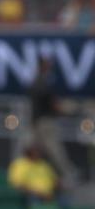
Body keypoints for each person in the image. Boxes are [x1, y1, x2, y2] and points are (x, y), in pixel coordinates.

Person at [28, 57, 78, 186]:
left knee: (34, 149)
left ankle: (56, 176)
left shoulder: (35, 81)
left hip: (37, 122)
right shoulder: (42, 83)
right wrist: (69, 110)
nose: (50, 67)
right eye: (47, 65)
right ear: (43, 66)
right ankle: (68, 175)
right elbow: (54, 105)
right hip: (45, 122)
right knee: (54, 150)